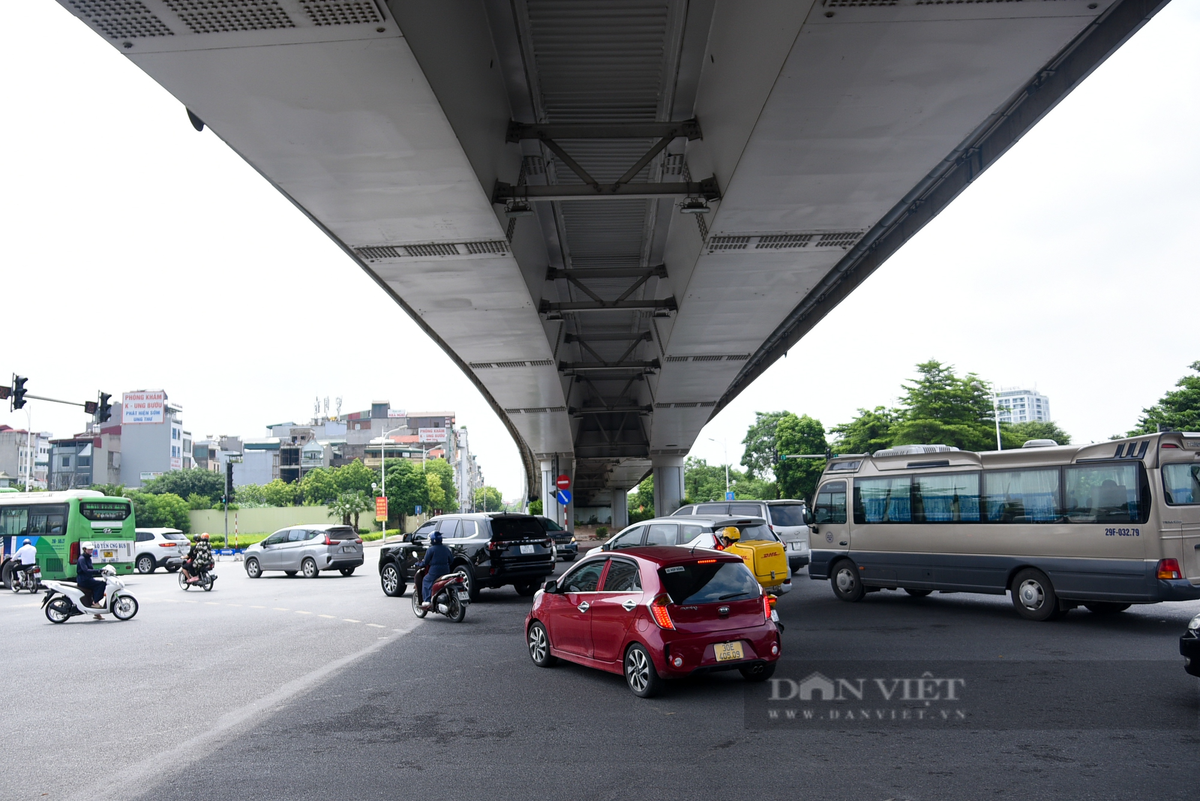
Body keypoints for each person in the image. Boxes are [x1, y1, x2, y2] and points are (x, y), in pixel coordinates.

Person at [415, 531, 452, 608]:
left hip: (435, 572)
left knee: (426, 580)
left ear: (432, 540)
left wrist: (418, 564)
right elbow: (451, 560)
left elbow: (425, 562)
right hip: (446, 571)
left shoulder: (431, 550)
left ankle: (428, 600)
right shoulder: (446, 549)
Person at [75, 545, 105, 619]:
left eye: (91, 549)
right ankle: (95, 603)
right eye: (89, 549)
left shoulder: (88, 558)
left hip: (88, 579)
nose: (90, 551)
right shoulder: (82, 559)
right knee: (102, 584)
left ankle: (96, 612)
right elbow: (86, 570)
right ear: (84, 549)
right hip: (84, 580)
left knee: (96, 587)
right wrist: (99, 571)